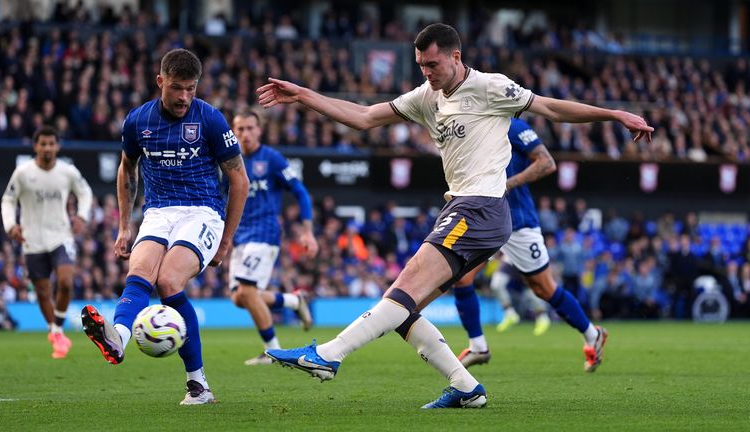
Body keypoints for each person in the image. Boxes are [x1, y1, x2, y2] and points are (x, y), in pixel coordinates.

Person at [256, 23, 652, 409]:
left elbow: (550, 108)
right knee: (402, 305)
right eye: (421, 66)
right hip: (463, 207)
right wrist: (304, 95)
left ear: (455, 57)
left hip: (480, 207)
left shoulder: (490, 86)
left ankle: (328, 355)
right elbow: (364, 116)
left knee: (407, 283)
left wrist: (614, 114)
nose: (426, 74)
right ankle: (466, 385)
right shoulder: (427, 96)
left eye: (432, 65)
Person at [79, 49, 249, 405]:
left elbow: (239, 179)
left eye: (191, 89)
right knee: (139, 270)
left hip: (203, 212)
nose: (184, 97)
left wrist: (226, 240)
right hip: (158, 211)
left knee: (169, 281)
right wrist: (124, 226)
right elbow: (127, 169)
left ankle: (198, 384)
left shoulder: (211, 120)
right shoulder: (137, 120)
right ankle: (118, 338)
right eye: (177, 88)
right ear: (161, 82)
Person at [451, 118, 607, 372]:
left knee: (544, 288)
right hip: (484, 217)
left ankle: (592, 333)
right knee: (462, 277)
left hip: (518, 221)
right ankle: (478, 346)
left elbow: (546, 163)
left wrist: (506, 185)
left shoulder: (513, 127)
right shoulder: (472, 125)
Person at [228, 108, 318, 365]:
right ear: (234, 132)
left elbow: (300, 192)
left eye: (250, 128)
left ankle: (273, 352)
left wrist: (307, 231)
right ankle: (293, 300)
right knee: (238, 298)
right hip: (239, 237)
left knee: (246, 292)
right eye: (240, 129)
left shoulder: (272, 159)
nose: (245, 134)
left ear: (259, 130)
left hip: (264, 234)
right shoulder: (231, 162)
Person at [1, 125, 92, 358]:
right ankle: (57, 333)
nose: (47, 148)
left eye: (51, 143)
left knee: (66, 282)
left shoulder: (67, 171)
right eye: (43, 144)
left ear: (57, 146)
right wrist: (11, 225)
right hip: (32, 239)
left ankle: (57, 327)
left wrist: (81, 216)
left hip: (61, 235)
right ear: (35, 146)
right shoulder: (23, 173)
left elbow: (85, 192)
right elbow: (8, 200)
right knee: (42, 291)